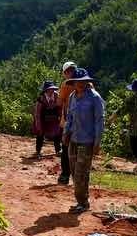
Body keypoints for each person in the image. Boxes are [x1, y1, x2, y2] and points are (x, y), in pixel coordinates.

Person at [63, 68, 105, 213]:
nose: (80, 84)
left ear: (87, 82)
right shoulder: (72, 97)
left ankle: (83, 203)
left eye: (83, 82)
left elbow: (99, 121)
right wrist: (66, 132)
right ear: (73, 83)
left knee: (82, 172)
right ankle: (80, 200)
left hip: (87, 142)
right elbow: (69, 117)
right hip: (74, 140)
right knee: (74, 172)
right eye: (77, 82)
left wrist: (97, 142)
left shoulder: (95, 98)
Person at [57, 62, 80, 185]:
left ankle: (65, 175)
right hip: (83, 123)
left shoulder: (65, 84)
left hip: (68, 121)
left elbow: (60, 103)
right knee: (80, 148)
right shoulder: (88, 84)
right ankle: (78, 177)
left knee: (66, 148)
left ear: (66, 73)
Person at [32, 81, 63, 158]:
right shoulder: (41, 98)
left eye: (52, 89)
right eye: (49, 89)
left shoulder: (57, 96)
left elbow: (60, 108)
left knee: (57, 133)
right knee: (40, 134)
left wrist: (61, 119)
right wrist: (38, 125)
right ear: (45, 90)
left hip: (54, 118)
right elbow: (37, 113)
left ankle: (58, 150)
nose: (51, 90)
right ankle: (38, 151)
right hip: (42, 119)